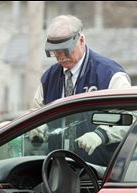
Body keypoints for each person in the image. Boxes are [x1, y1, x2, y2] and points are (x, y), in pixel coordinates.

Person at [29, 15, 131, 161]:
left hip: (100, 170)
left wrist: (101, 135)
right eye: (55, 52)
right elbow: (37, 112)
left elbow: (129, 117)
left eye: (65, 50)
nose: (60, 57)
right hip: (59, 166)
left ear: (81, 40)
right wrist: (36, 125)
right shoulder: (49, 78)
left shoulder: (109, 74)